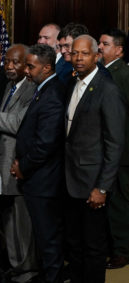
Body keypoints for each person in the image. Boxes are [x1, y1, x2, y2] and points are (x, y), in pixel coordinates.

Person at [64, 35, 126, 283]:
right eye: (75, 53)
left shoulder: (107, 89)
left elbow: (115, 144)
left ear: (96, 56)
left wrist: (102, 187)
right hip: (70, 181)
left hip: (93, 186)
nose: (78, 58)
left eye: (85, 54)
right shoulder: (72, 84)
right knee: (74, 245)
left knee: (94, 248)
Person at [12, 44, 65, 283]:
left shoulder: (52, 94)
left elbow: (45, 144)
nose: (26, 70)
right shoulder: (43, 88)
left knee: (48, 238)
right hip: (37, 179)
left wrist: (23, 166)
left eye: (31, 66)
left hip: (44, 181)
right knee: (43, 238)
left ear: (46, 67)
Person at [0, 44, 39, 283]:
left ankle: (27, 272)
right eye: (6, 61)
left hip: (17, 165)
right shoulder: (9, 85)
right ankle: (16, 267)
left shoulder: (32, 88)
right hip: (2, 166)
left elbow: (19, 122)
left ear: (27, 64)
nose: (9, 66)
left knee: (22, 223)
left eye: (15, 62)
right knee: (9, 221)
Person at [98, 28, 129, 270]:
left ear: (118, 50)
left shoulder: (120, 75)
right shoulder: (106, 73)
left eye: (105, 44)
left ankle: (122, 250)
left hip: (121, 152)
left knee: (119, 201)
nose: (99, 47)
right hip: (108, 151)